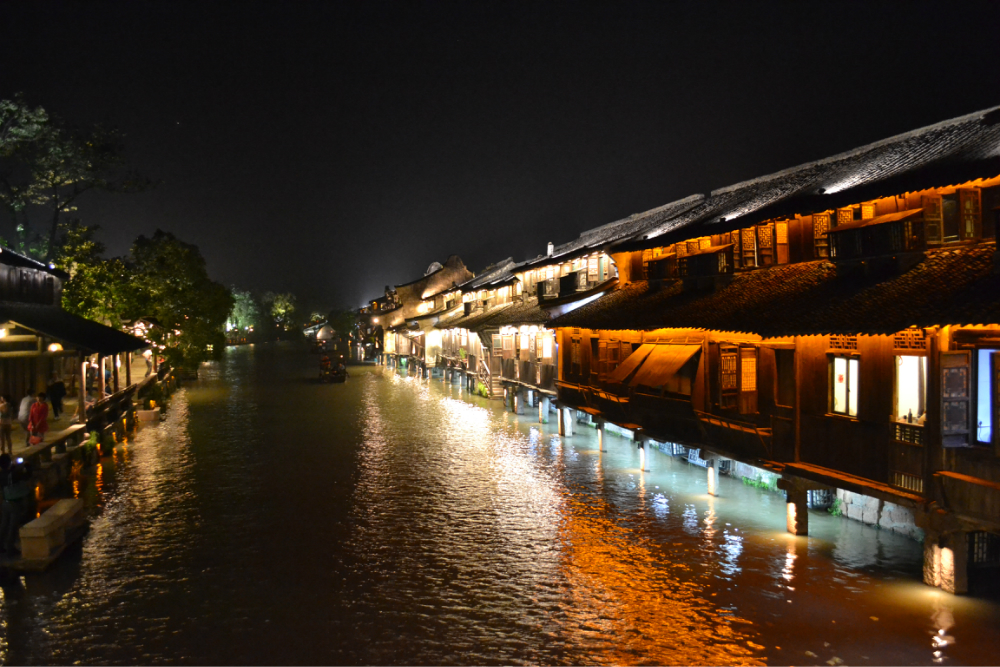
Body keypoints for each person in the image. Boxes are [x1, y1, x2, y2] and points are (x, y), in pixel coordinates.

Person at [0, 453, 32, 555]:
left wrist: (13, 466)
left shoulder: (2, 474)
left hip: (5, 502)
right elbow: (27, 475)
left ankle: (1, 546)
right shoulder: (14, 474)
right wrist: (26, 465)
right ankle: (10, 547)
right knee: (13, 527)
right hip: (15, 503)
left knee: (4, 525)